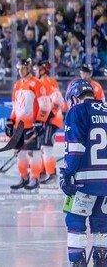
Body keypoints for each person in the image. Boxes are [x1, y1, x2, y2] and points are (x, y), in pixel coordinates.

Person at [60, 79, 107, 267]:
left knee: (75, 223)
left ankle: (78, 263)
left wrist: (67, 174)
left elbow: (75, 148)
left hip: (83, 184)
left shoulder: (76, 111)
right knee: (103, 226)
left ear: (74, 97)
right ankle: (102, 261)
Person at [7, 58, 50, 191]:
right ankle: (23, 177)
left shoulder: (36, 84)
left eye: (22, 68)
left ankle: (35, 178)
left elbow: (45, 104)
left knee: (34, 152)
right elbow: (16, 106)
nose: (20, 71)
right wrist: (11, 120)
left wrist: (40, 121)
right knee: (19, 153)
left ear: (28, 68)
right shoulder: (17, 85)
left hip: (32, 125)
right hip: (19, 126)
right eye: (18, 69)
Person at [34, 60, 63, 184]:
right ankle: (45, 171)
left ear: (42, 70)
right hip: (49, 119)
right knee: (43, 147)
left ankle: (51, 173)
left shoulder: (45, 82)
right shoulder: (48, 82)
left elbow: (57, 100)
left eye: (37, 68)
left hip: (50, 120)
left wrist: (49, 115)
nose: (36, 71)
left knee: (46, 147)